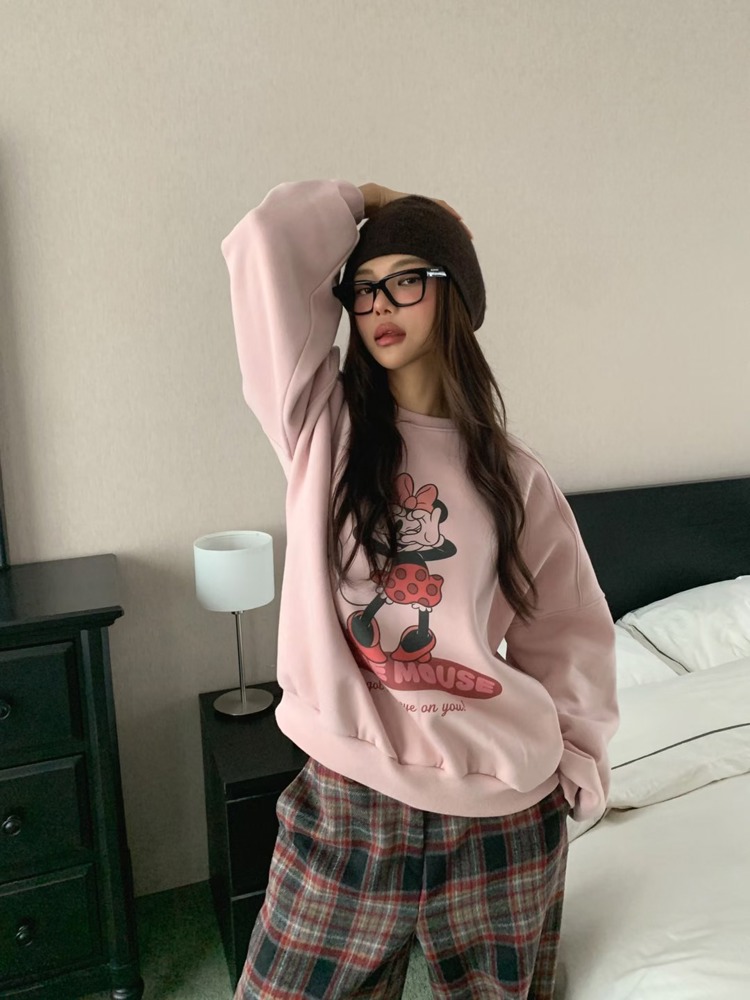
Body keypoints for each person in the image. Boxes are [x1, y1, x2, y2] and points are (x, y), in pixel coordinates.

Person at [220, 179, 618, 1000]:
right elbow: (265, 243)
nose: (378, 305)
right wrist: (365, 197)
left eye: (406, 279)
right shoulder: (320, 431)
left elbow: (568, 630)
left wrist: (579, 752)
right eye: (363, 288)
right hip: (349, 811)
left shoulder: (514, 477)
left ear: (454, 294)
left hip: (502, 820)